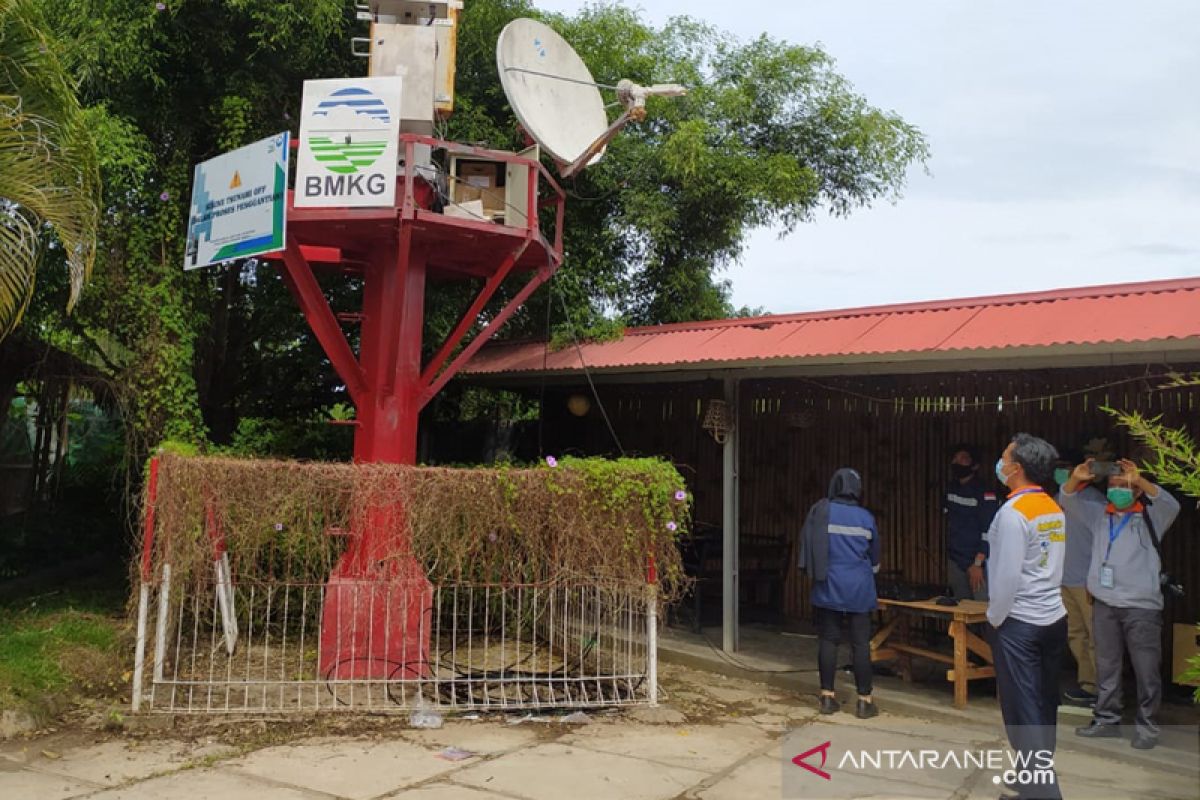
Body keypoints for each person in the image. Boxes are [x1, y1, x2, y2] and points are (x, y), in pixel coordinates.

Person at [1061, 458, 1181, 750]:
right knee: (1106, 665)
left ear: (1137, 491)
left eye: (1124, 486)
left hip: (1141, 606)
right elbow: (1067, 498)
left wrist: (1138, 479)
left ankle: (1147, 728)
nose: (1117, 491)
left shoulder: (1154, 517)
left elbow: (1172, 504)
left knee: (1146, 669)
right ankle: (1106, 720)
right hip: (1104, 602)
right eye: (1113, 486)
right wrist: (1076, 478)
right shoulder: (1100, 515)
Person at [988, 433, 1067, 800]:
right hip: (1053, 618)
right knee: (1044, 704)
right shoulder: (1051, 507)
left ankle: (1044, 791)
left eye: (1004, 457)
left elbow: (1005, 578)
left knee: (1022, 710)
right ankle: (1027, 782)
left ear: (1016, 468)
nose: (1000, 463)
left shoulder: (1012, 514)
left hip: (1019, 623)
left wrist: (995, 618)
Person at [799, 468, 881, 719]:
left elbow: (809, 548)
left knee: (828, 640)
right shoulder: (866, 518)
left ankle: (827, 697)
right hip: (859, 588)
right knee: (860, 644)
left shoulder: (821, 512)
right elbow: (875, 559)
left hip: (828, 585)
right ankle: (865, 701)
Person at [1054, 459, 1098, 707]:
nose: (1060, 472)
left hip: (1087, 580)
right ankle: (1087, 684)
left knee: (1096, 636)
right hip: (1063, 578)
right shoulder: (1055, 498)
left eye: (1065, 467)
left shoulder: (1094, 501)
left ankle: (1102, 689)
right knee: (1076, 634)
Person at [944, 445, 999, 600]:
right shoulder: (951, 489)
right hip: (956, 560)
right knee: (960, 610)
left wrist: (978, 563)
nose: (957, 462)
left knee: (981, 611)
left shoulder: (984, 492)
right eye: (955, 459)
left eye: (963, 459)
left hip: (978, 563)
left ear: (975, 465)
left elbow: (989, 530)